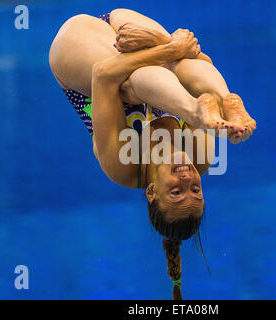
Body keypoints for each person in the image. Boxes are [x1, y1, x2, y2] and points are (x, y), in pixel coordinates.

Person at [49, 9, 256, 299]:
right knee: (177, 71)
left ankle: (189, 104)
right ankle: (228, 99)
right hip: (128, 30)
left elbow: (104, 75)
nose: (187, 178)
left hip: (81, 54)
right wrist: (170, 49)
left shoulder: (124, 167)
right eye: (195, 188)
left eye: (176, 192)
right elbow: (199, 64)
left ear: (151, 192)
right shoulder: (200, 156)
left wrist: (170, 47)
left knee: (133, 85)